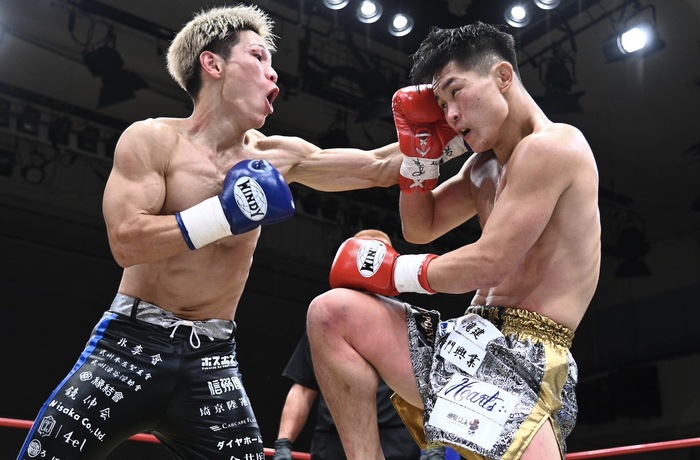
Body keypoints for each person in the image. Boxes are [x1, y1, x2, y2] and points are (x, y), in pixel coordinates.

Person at [15, 5, 405, 460]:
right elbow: (126, 240)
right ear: (213, 64)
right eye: (258, 56)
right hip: (131, 343)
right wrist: (223, 214)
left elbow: (380, 166)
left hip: (212, 357)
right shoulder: (153, 140)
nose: (273, 73)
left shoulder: (278, 156)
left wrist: (450, 124)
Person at [306, 21, 600, 460]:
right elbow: (420, 227)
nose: (450, 115)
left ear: (503, 76)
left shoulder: (554, 146)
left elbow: (490, 262)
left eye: (456, 92)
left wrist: (395, 273)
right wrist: (419, 158)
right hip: (467, 340)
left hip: (527, 360)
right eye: (441, 104)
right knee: (331, 313)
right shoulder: (481, 167)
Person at [274, 230, 433, 460]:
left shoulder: (407, 322)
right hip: (335, 440)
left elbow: (429, 384)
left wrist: (434, 443)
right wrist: (284, 442)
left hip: (396, 440)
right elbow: (303, 388)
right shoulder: (327, 320)